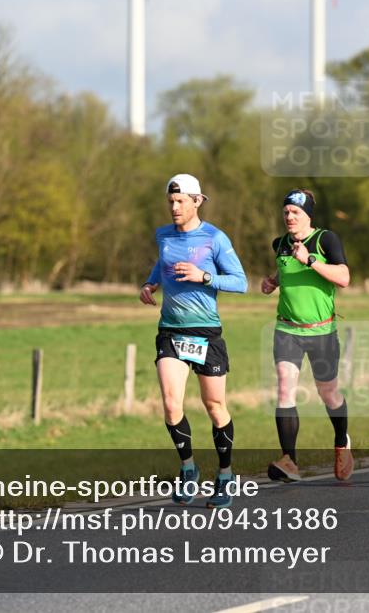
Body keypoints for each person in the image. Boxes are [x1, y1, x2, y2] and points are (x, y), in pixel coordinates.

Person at [140, 174, 247, 508]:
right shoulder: (164, 235)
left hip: (205, 333)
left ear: (197, 201)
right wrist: (151, 283)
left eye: (181, 201)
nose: (174, 207)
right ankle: (188, 469)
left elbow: (240, 282)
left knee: (214, 406)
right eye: (171, 201)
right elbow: (163, 262)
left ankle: (225, 475)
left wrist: (205, 276)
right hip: (171, 330)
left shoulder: (214, 238)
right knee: (172, 404)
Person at [260, 189, 354, 483]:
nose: (289, 217)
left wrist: (310, 260)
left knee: (329, 394)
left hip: (321, 331)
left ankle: (341, 441)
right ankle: (289, 462)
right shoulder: (279, 244)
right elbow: (284, 271)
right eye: (286, 212)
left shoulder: (326, 240)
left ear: (308, 215)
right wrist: (272, 282)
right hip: (287, 329)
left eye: (295, 212)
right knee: (284, 389)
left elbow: (344, 278)